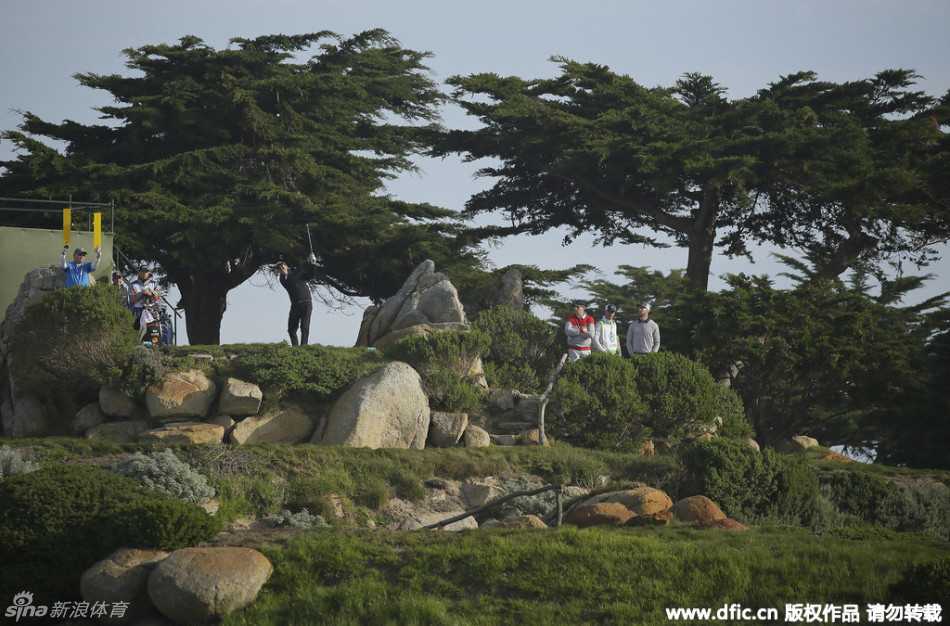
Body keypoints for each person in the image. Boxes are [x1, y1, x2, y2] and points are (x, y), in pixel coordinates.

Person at [278, 255, 317, 346]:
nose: (281, 269)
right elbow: (290, 278)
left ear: (286, 266)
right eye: (279, 269)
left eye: (282, 267)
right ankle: (295, 348)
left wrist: (313, 264)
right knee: (291, 329)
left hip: (306, 303)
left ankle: (304, 347)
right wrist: (308, 262)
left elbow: (311, 275)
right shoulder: (283, 279)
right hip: (295, 305)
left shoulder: (297, 273)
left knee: (304, 327)